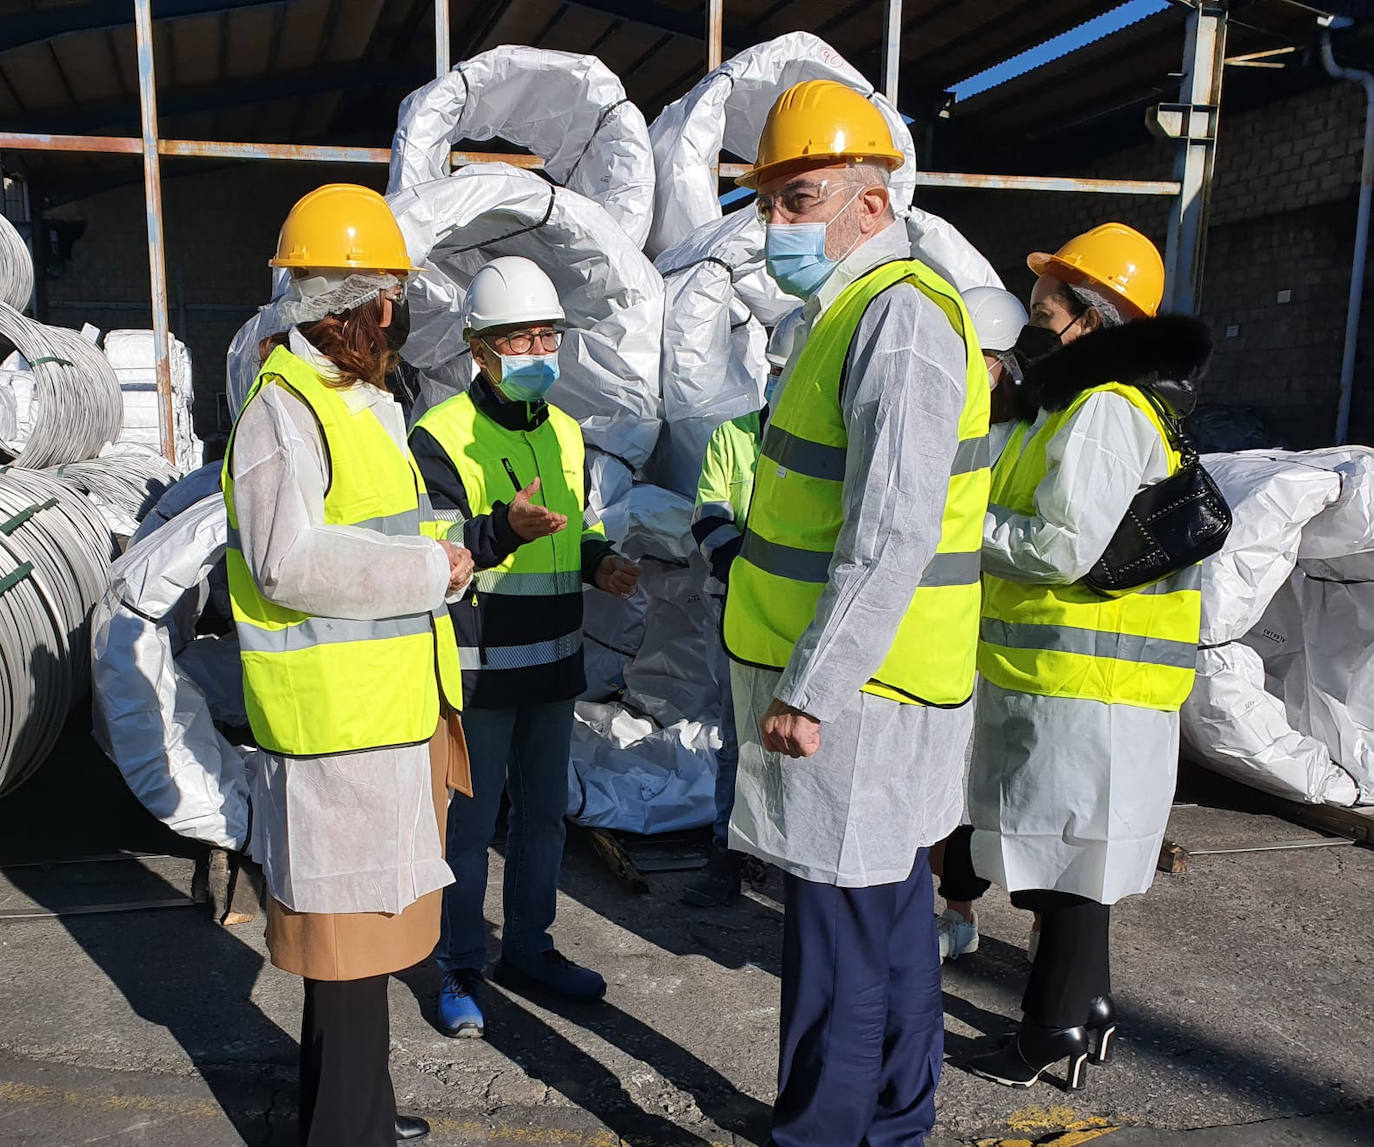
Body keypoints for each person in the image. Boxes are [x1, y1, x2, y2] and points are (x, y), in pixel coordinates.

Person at [722, 80, 991, 1146]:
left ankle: (825, 1135)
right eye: (771, 201)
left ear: (869, 207)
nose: (775, 224)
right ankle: (894, 1122)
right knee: (884, 925)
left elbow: (889, 531)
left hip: (859, 693)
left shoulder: (898, 320)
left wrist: (811, 684)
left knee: (838, 941)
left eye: (799, 198)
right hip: (876, 682)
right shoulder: (849, 315)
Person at [223, 183, 471, 1146]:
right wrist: (425, 569)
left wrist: (451, 547)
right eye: (390, 294)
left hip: (383, 711)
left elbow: (378, 530)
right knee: (351, 944)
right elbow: (290, 558)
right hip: (336, 726)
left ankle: (348, 1109)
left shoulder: (356, 400)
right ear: (355, 302)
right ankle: (348, 1129)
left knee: (359, 950)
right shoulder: (282, 408)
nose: (397, 312)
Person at [965, 223, 1211, 1091]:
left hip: (1082, 681)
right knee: (1074, 858)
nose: (1034, 326)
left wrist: (961, 529)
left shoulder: (1105, 410)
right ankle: (1090, 1009)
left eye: (1045, 311)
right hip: (1083, 682)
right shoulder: (1081, 404)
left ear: (1092, 320)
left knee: (1065, 865)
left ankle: (1051, 1031)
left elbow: (1061, 546)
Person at [409, 255, 641, 1039]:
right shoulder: (439, 437)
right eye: (521, 338)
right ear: (480, 351)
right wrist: (504, 529)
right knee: (470, 834)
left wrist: (597, 559)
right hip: (479, 676)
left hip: (553, 666)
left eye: (549, 335)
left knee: (543, 820)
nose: (540, 350)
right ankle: (456, 967)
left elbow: (572, 529)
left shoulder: (569, 435)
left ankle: (530, 950)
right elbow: (439, 556)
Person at [681, 307, 803, 908]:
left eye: (790, 369)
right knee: (739, 737)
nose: (779, 380)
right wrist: (753, 576)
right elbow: (710, 514)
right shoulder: (735, 438)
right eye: (774, 369)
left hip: (809, 621)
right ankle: (727, 855)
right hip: (741, 615)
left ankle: (788, 861)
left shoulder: (830, 447)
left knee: (801, 744)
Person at [934, 284, 1029, 963]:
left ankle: (1041, 930)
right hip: (957, 629)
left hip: (1004, 634)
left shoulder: (1021, 435)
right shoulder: (958, 420)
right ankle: (958, 911)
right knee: (955, 785)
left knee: (1004, 789)